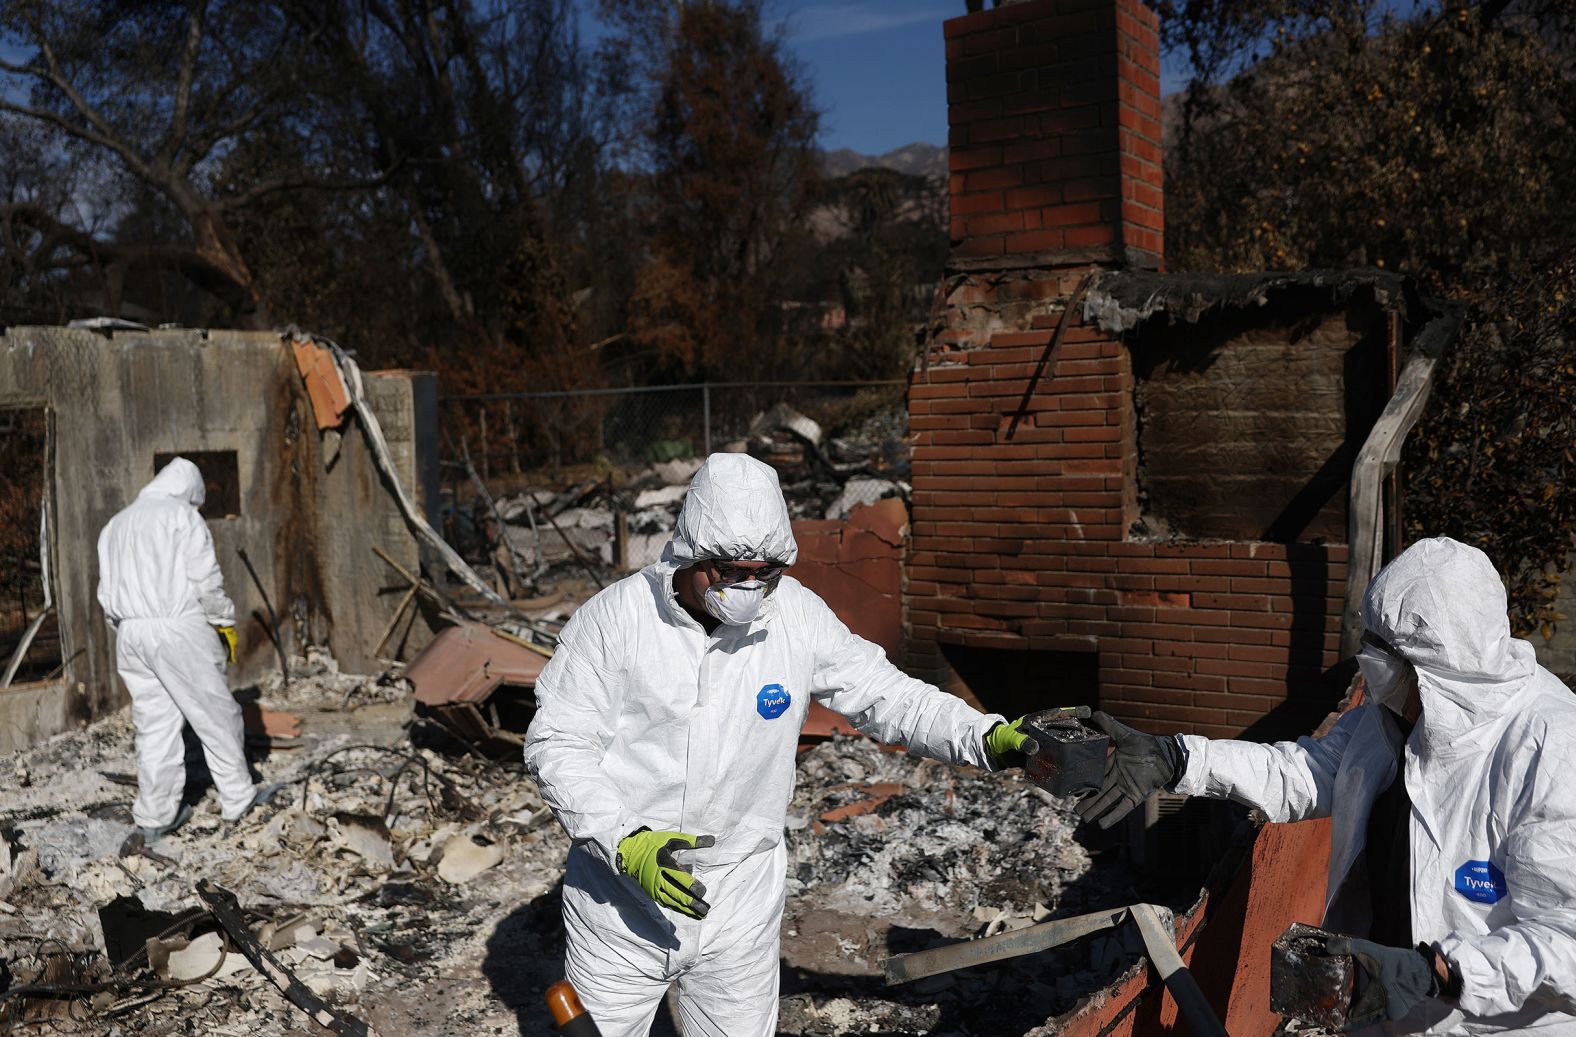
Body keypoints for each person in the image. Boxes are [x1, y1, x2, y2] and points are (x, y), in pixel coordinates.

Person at [523, 453, 1039, 1036]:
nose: (747, 586)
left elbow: (885, 694)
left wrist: (988, 736)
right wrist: (626, 842)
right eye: (728, 570)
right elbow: (558, 744)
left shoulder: (793, 616)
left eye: (762, 571)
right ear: (692, 551)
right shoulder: (617, 622)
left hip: (740, 894)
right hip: (622, 901)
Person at [1080, 537, 1576, 1034]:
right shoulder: (1391, 721)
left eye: (1385, 659)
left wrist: (1439, 972)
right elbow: (1301, 772)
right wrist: (1180, 758)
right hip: (1386, 1008)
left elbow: (1565, 939)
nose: (1372, 673)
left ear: (1438, 669)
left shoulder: (1550, 749)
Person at [97, 457, 270, 842]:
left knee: (154, 723)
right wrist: (222, 621)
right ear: (190, 491)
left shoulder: (115, 524)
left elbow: (107, 597)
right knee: (215, 712)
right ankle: (239, 797)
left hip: (131, 633)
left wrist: (128, 630)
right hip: (178, 626)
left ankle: (155, 815)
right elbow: (205, 579)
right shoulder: (181, 516)